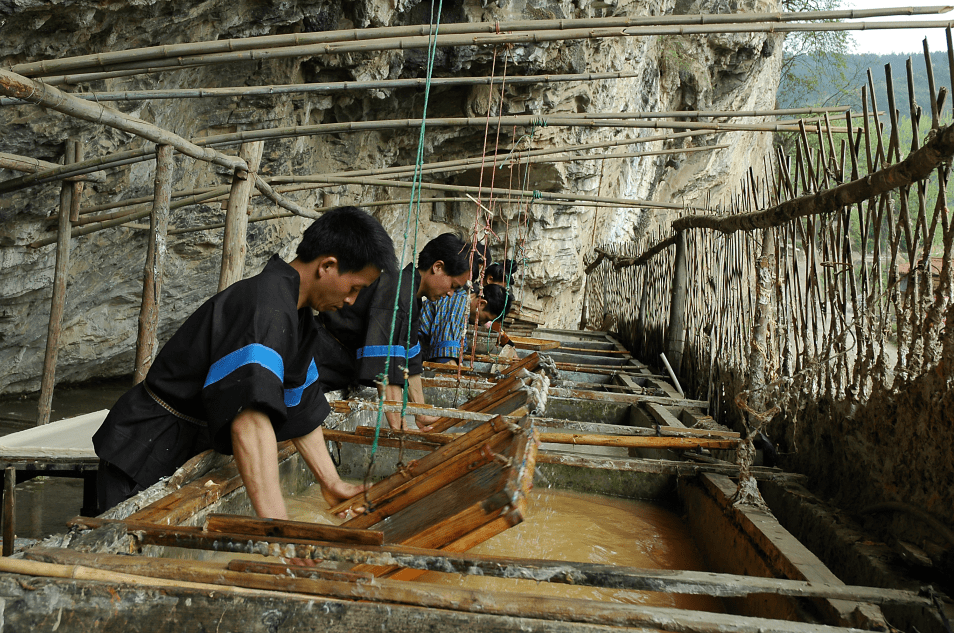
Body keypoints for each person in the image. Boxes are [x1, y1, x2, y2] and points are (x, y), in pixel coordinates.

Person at [93, 206, 396, 520]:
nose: (351, 301)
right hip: (146, 448)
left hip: (182, 444)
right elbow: (248, 419)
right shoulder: (265, 307)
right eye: (355, 288)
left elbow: (301, 404)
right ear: (328, 266)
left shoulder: (296, 313)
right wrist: (277, 524)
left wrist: (331, 482)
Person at [316, 233, 471, 430]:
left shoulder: (412, 297)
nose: (450, 294)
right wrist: (398, 427)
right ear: (437, 267)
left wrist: (421, 412)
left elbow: (410, 362)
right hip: (322, 356)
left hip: (337, 360)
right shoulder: (398, 289)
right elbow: (385, 365)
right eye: (452, 286)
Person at [420, 281, 513, 364]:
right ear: (481, 303)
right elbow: (445, 357)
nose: (484, 323)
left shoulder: (463, 299)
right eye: (487, 318)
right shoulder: (459, 306)